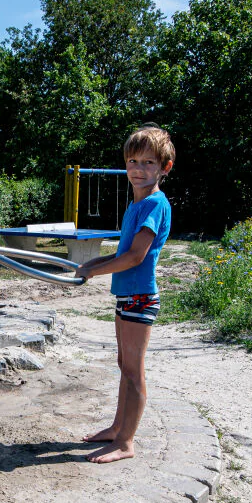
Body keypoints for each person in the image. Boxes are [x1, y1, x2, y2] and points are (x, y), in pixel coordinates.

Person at [75, 125, 174, 463]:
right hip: (127, 297)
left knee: (134, 371)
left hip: (140, 297)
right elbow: (121, 253)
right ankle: (118, 428)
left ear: (165, 167)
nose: (138, 168)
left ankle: (126, 443)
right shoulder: (137, 204)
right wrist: (90, 264)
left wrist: (95, 269)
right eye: (133, 160)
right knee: (124, 365)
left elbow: (135, 257)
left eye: (148, 162)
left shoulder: (154, 205)